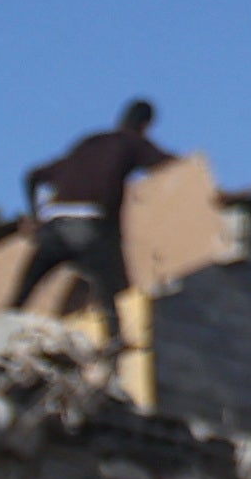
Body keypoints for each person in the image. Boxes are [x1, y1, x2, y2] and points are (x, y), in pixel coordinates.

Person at [15, 98, 172, 318]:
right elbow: (171, 166)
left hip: (54, 227)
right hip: (89, 228)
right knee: (112, 288)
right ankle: (116, 339)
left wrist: (36, 216)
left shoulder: (89, 143)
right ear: (145, 125)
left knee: (23, 292)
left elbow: (33, 176)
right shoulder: (132, 142)